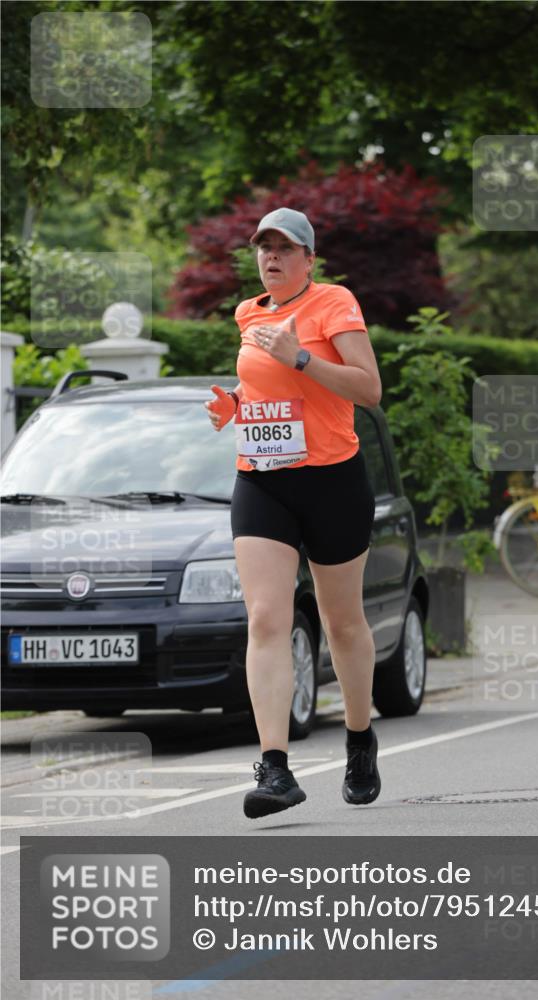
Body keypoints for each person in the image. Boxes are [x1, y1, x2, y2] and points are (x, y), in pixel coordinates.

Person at [205, 207, 383, 819]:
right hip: (262, 480)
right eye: (264, 247)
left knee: (343, 623)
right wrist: (235, 404)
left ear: (309, 258)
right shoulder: (247, 313)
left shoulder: (334, 303)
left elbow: (368, 389)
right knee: (264, 618)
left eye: (285, 248)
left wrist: (300, 356)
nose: (272, 257)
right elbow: (266, 388)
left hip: (332, 480)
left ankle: (359, 740)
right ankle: (275, 768)